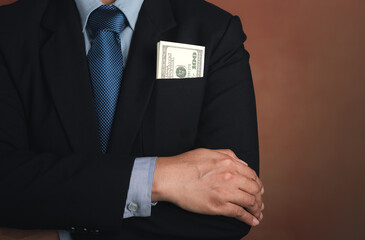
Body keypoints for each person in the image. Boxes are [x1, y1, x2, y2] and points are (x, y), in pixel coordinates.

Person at [0, 0, 264, 239]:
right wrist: (156, 178)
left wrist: (62, 235)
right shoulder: (9, 30)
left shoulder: (215, 31)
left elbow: (234, 204)